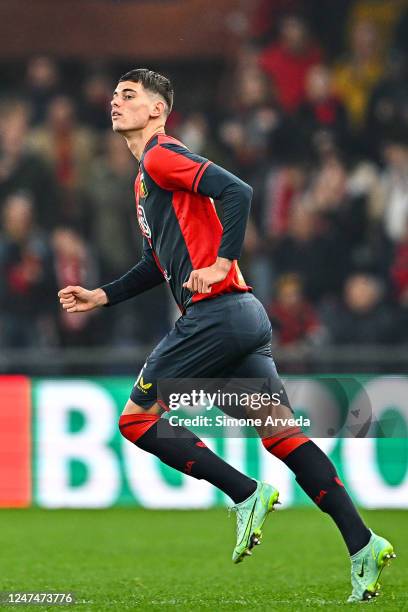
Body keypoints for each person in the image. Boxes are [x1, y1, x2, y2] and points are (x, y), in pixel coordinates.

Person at [58, 69, 395, 601]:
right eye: (114, 96)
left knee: (136, 420)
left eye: (129, 96)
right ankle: (363, 545)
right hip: (242, 317)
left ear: (157, 111)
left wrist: (221, 262)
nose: (114, 103)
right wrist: (103, 296)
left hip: (215, 315)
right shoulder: (146, 177)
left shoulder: (161, 156)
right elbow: (157, 263)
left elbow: (238, 190)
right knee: (282, 435)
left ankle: (245, 493)